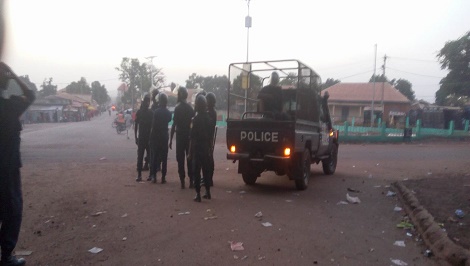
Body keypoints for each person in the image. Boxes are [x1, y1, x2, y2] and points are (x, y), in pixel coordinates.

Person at [0, 62, 35, 266]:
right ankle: (6, 257)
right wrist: (12, 73)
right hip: (9, 168)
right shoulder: (9, 106)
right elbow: (30, 95)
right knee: (13, 210)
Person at [169, 87, 195, 189]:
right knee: (190, 159)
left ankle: (182, 181)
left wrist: (171, 140)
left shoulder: (177, 108)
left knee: (180, 160)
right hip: (189, 137)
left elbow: (174, 125)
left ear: (180, 95)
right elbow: (193, 124)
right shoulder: (190, 108)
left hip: (180, 137)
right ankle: (191, 181)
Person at [189, 95, 212, 202]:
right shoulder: (209, 119)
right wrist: (210, 148)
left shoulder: (196, 119)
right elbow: (211, 136)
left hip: (197, 148)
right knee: (206, 170)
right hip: (206, 147)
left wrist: (190, 152)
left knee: (196, 171)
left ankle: (198, 194)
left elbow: (192, 138)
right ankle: (207, 191)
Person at [149, 93, 172, 184]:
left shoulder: (156, 112)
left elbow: (153, 126)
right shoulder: (168, 113)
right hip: (164, 137)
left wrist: (151, 137)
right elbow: (169, 120)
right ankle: (163, 177)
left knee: (155, 157)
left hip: (156, 136)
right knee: (164, 157)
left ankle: (154, 176)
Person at [134, 94, 153, 181]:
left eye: (149, 101)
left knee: (143, 156)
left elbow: (136, 125)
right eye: (147, 101)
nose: (148, 103)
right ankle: (144, 175)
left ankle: (141, 175)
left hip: (145, 138)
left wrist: (136, 137)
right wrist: (136, 137)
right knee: (144, 156)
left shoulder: (141, 112)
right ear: (145, 102)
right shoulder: (149, 113)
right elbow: (136, 125)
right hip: (145, 138)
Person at [205, 92, 217, 187]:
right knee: (208, 159)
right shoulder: (210, 112)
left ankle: (209, 179)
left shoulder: (211, 113)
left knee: (209, 159)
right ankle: (207, 178)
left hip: (208, 137)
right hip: (208, 136)